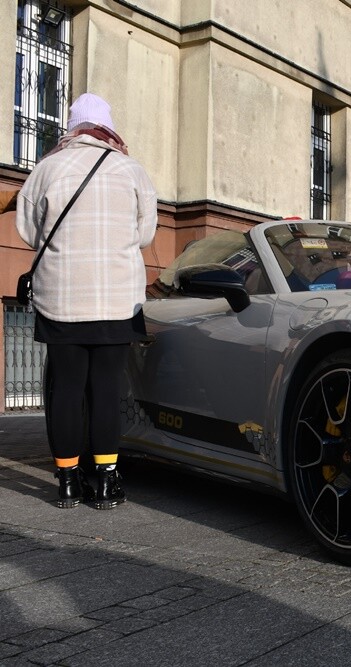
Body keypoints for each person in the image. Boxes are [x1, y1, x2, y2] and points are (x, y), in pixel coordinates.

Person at [15, 93, 157, 509]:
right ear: (108, 127)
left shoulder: (47, 169)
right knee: (106, 389)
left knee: (67, 390)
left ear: (73, 126)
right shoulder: (132, 170)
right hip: (116, 298)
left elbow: (27, 230)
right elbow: (146, 235)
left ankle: (68, 482)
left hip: (61, 296)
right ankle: (108, 482)